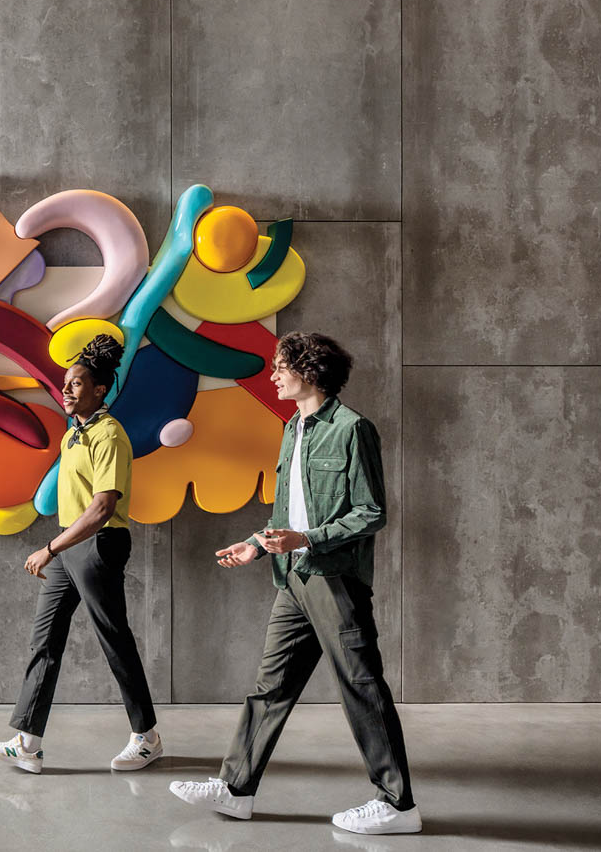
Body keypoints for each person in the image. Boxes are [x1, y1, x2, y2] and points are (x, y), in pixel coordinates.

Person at [169, 332, 419, 836]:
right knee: (271, 686)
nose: (274, 375)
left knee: (361, 687)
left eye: (281, 367)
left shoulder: (352, 429)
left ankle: (398, 804)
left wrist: (307, 538)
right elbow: (288, 511)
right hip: (293, 578)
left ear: (307, 371)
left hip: (334, 579)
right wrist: (258, 545)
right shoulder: (293, 428)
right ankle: (236, 790)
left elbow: (372, 512)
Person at [0, 335, 160, 774]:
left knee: (114, 640)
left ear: (100, 390)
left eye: (77, 384)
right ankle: (27, 742)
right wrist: (59, 547)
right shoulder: (73, 437)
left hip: (98, 545)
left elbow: (101, 508)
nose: (67, 390)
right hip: (70, 546)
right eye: (65, 383)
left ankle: (147, 737)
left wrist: (49, 548)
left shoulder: (108, 433)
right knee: (46, 640)